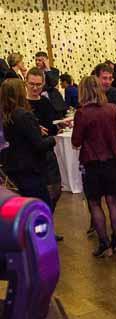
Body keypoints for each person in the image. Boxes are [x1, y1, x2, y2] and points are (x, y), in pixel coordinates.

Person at [71, 75, 116, 257]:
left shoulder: (82, 113)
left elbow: (76, 141)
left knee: (95, 203)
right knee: (113, 201)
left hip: (92, 163)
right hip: (113, 161)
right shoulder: (113, 109)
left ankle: (104, 243)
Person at [0, 78, 55, 208]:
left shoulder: (4, 115)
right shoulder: (23, 115)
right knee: (41, 207)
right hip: (29, 169)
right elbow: (39, 145)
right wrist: (53, 140)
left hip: (11, 169)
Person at [25, 68, 63, 218]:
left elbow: (52, 126)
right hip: (31, 155)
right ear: (26, 83)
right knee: (37, 195)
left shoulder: (45, 102)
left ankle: (47, 222)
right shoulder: (22, 105)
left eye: (38, 85)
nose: (35, 88)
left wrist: (58, 126)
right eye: (32, 84)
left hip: (47, 151)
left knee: (56, 189)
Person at [33, 51, 66, 119]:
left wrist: (48, 69)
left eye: (39, 60)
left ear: (45, 61)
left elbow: (53, 83)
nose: (37, 62)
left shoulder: (54, 71)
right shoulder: (34, 72)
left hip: (54, 103)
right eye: (36, 60)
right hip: (40, 102)